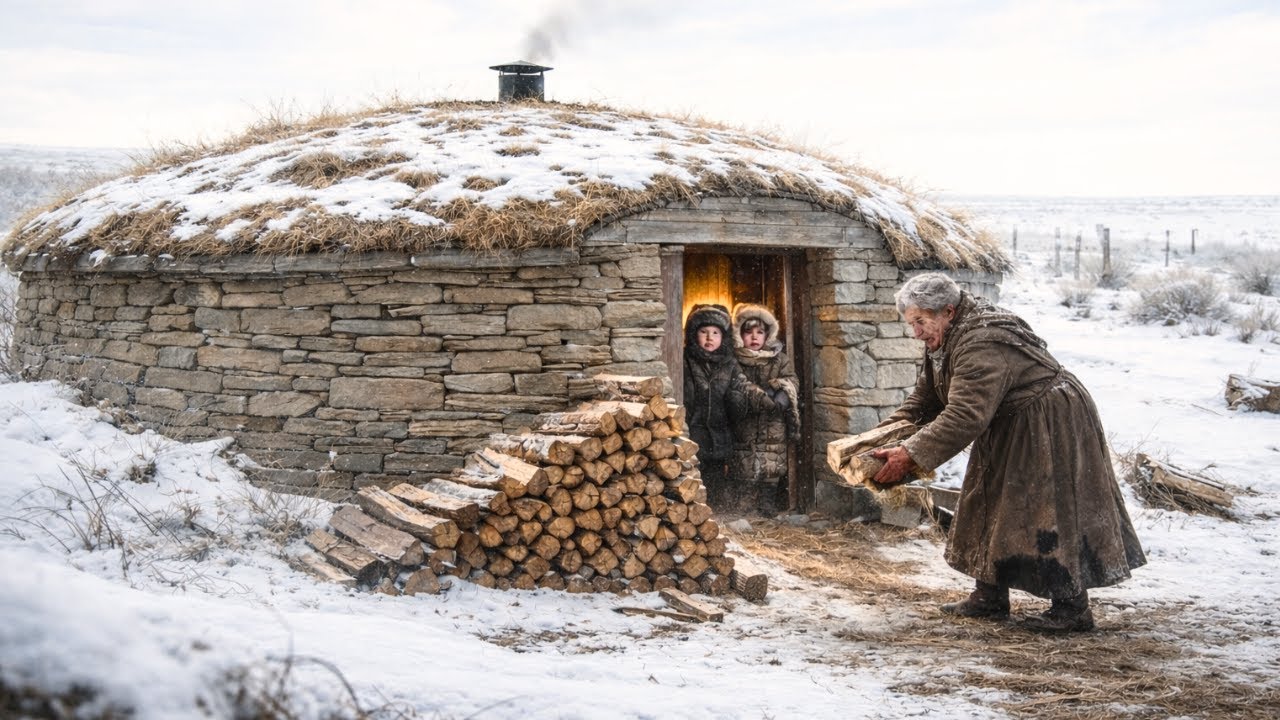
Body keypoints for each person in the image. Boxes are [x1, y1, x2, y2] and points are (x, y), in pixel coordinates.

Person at [871, 272, 1146, 633]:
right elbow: (927, 397)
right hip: (1009, 419)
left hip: (1048, 418)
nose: (916, 332)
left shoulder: (981, 342)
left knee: (1049, 507)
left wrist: (910, 455)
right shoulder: (948, 335)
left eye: (920, 322)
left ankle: (1072, 608)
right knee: (988, 498)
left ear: (948, 311)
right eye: (911, 324)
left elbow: (964, 415)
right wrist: (881, 436)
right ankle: (989, 597)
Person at [683, 304, 778, 512]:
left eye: (715, 333)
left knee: (716, 475)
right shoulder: (686, 361)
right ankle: (694, 512)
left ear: (723, 337)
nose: (710, 338)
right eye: (704, 332)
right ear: (694, 334)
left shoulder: (729, 363)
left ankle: (715, 513)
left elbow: (743, 385)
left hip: (719, 431)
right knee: (693, 474)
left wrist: (763, 399)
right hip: (694, 429)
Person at [731, 303, 801, 516]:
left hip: (773, 421)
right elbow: (737, 383)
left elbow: (791, 380)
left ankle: (767, 502)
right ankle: (745, 502)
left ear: (768, 335)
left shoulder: (779, 359)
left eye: (760, 332)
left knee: (772, 461)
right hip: (746, 420)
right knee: (744, 460)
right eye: (748, 332)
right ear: (739, 334)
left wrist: (780, 395)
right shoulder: (735, 359)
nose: (754, 337)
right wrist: (759, 396)